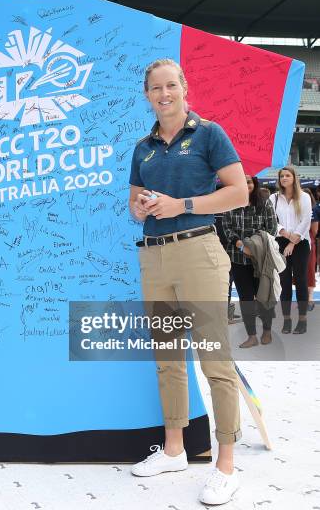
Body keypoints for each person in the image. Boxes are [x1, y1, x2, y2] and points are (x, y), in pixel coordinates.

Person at [128, 59, 248, 505]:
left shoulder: (210, 133)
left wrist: (183, 204)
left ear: (184, 88)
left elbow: (239, 191)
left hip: (199, 250)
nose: (164, 94)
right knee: (168, 360)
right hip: (154, 257)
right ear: (147, 94)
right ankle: (175, 450)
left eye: (171, 85)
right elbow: (132, 204)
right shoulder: (142, 147)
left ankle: (226, 465)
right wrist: (141, 207)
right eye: (156, 88)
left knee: (215, 361)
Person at [222, 175, 278, 347]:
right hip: (238, 258)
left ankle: (267, 331)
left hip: (260, 259)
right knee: (246, 298)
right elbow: (226, 226)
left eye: (249, 181)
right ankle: (251, 335)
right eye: (242, 181)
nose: (246, 185)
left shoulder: (264, 202)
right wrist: (240, 244)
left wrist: (254, 246)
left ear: (254, 183)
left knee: (264, 296)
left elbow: (272, 228)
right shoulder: (230, 201)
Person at [270, 166, 312, 334]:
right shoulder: (274, 198)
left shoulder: (304, 197)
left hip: (300, 243)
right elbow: (271, 220)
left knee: (300, 280)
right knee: (284, 281)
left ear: (294, 178)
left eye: (288, 175)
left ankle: (302, 320)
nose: (284, 178)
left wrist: (293, 241)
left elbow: (305, 220)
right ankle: (286, 320)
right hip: (280, 240)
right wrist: (284, 233)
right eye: (282, 176)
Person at [302, 188, 318, 311]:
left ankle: (309, 298)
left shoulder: (313, 209)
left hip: (308, 241)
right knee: (301, 271)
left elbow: (314, 230)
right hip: (296, 240)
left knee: (309, 269)